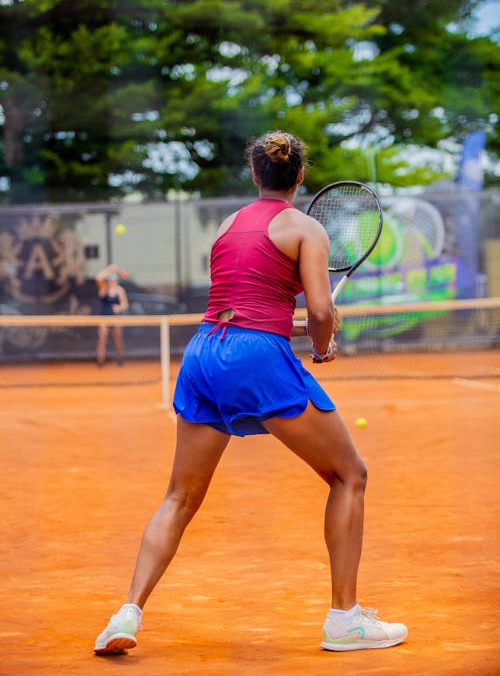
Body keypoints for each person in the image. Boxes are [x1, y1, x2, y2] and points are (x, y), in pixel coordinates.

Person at [94, 131, 408, 655]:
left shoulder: (227, 225)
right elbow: (319, 313)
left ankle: (125, 613)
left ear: (255, 175)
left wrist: (309, 329)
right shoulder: (306, 228)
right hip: (256, 360)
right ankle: (344, 619)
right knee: (350, 475)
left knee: (179, 496)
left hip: (202, 353)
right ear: (299, 177)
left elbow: (248, 308)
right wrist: (324, 345)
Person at [95, 263, 129, 367]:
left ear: (116, 280)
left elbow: (125, 304)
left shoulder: (119, 290)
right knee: (102, 339)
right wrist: (110, 268)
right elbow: (98, 278)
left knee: (118, 340)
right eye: (109, 279)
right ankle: (100, 362)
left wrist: (119, 308)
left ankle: (120, 360)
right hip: (104, 319)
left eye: (113, 280)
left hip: (115, 319)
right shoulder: (103, 289)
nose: (111, 282)